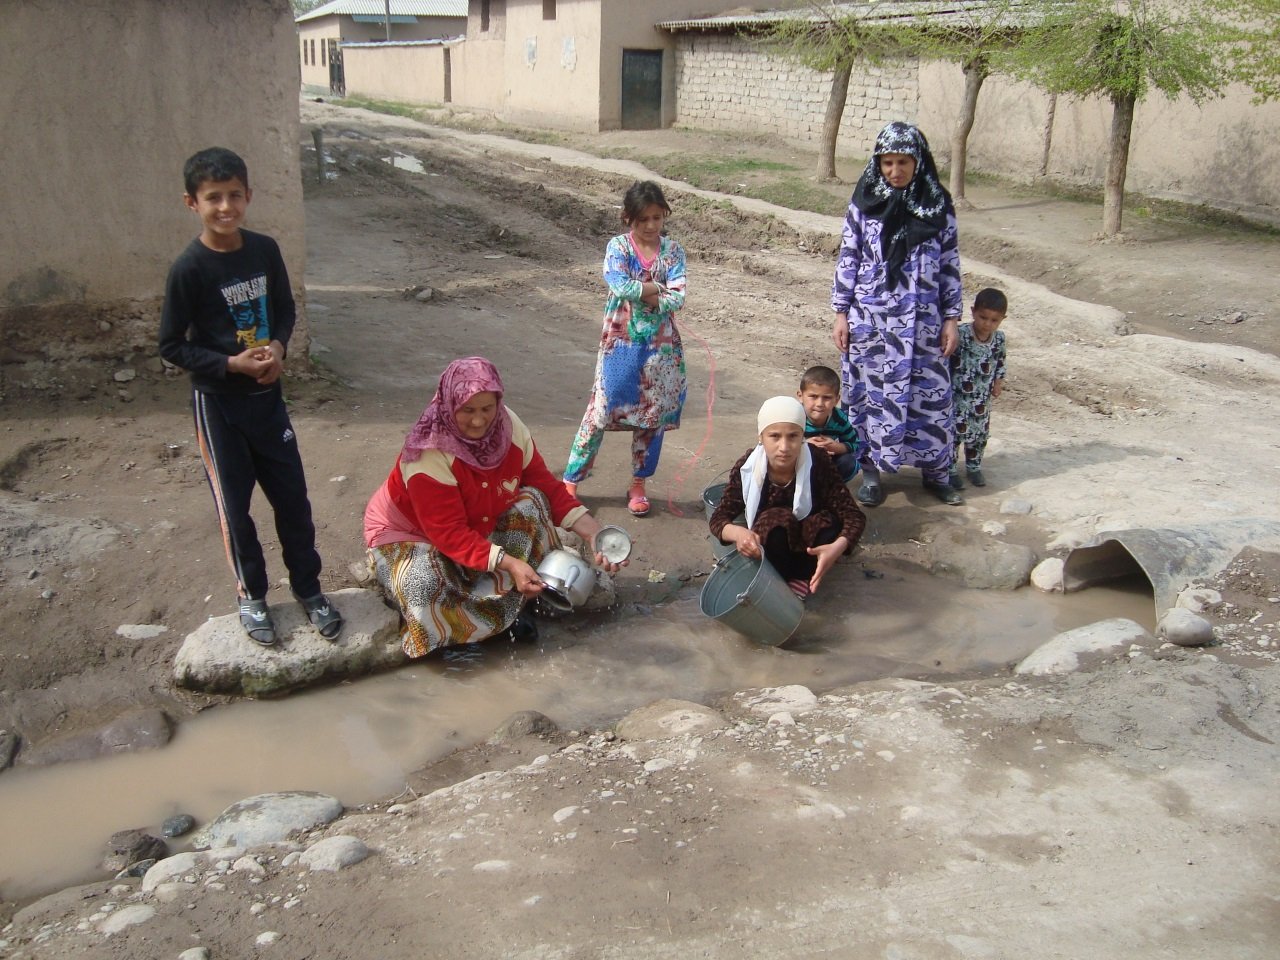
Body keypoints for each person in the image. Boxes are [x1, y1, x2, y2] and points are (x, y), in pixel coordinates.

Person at [159, 147, 342, 648]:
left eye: (234, 195)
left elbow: (283, 309)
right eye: (213, 198)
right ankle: (252, 597)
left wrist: (279, 348)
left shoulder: (264, 250)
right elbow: (172, 345)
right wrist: (229, 365)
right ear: (191, 203)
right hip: (219, 406)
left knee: (293, 501)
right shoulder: (189, 269)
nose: (225, 207)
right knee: (234, 509)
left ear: (248, 196)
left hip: (268, 400)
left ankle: (310, 591)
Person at [364, 357, 626, 658]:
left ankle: (510, 612)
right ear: (449, 406)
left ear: (498, 402)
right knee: (421, 582)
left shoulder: (508, 427)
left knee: (532, 503)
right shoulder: (428, 451)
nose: (478, 421)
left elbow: (546, 485)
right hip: (413, 533)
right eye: (467, 410)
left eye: (487, 409)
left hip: (478, 518)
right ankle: (454, 638)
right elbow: (447, 533)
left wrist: (594, 534)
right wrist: (510, 563)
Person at [830, 121, 965, 508]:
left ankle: (937, 473)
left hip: (924, 324)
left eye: (903, 161)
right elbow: (849, 257)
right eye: (887, 162)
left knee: (932, 399)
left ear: (917, 161)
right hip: (871, 323)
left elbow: (950, 263)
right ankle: (870, 472)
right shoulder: (864, 203)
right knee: (869, 396)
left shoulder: (939, 205)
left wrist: (952, 318)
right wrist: (841, 313)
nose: (895, 171)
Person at [563, 180, 687, 518]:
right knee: (600, 412)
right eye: (643, 219)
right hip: (620, 343)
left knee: (651, 417)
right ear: (627, 218)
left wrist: (642, 291)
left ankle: (638, 484)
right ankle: (571, 482)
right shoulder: (618, 247)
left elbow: (678, 295)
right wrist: (654, 288)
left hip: (660, 350)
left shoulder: (673, 252)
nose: (650, 226)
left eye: (657, 218)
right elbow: (618, 284)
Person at [709, 397, 865, 599]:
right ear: (761, 437)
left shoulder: (817, 461)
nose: (784, 447)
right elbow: (719, 518)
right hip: (773, 544)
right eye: (774, 436)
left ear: (802, 436)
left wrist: (837, 547)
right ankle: (777, 579)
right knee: (776, 518)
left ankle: (803, 577)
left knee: (826, 522)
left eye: (793, 436)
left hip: (810, 543)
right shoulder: (748, 467)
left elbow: (853, 515)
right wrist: (739, 534)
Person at [949, 287, 1009, 490]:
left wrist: (998, 382)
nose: (987, 324)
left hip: (981, 398)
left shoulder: (999, 339)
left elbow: (1000, 362)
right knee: (954, 435)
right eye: (983, 317)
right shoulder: (961, 334)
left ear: (1002, 319)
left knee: (978, 435)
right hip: (957, 397)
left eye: (994, 320)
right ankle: (950, 470)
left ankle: (974, 467)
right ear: (973, 311)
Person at [797, 364, 861, 483]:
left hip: (826, 461)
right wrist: (804, 445)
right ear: (800, 396)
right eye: (813, 396)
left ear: (836, 400)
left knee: (849, 462)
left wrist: (838, 447)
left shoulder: (839, 419)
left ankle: (833, 489)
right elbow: (779, 444)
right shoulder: (795, 416)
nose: (820, 403)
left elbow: (855, 444)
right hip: (799, 460)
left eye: (826, 398)